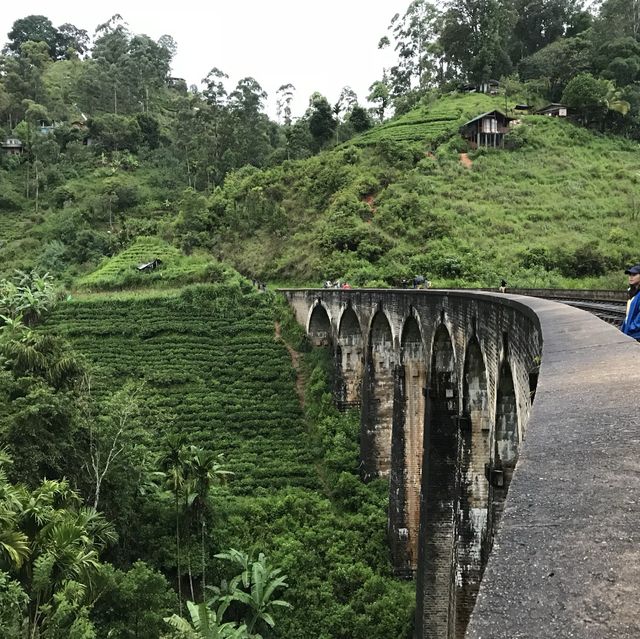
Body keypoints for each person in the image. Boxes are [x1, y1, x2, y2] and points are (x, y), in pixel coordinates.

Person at [621, 264, 640, 340]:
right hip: (631, 333)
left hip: (636, 335)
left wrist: (631, 328)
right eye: (630, 274)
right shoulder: (632, 292)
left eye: (634, 274)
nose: (631, 277)